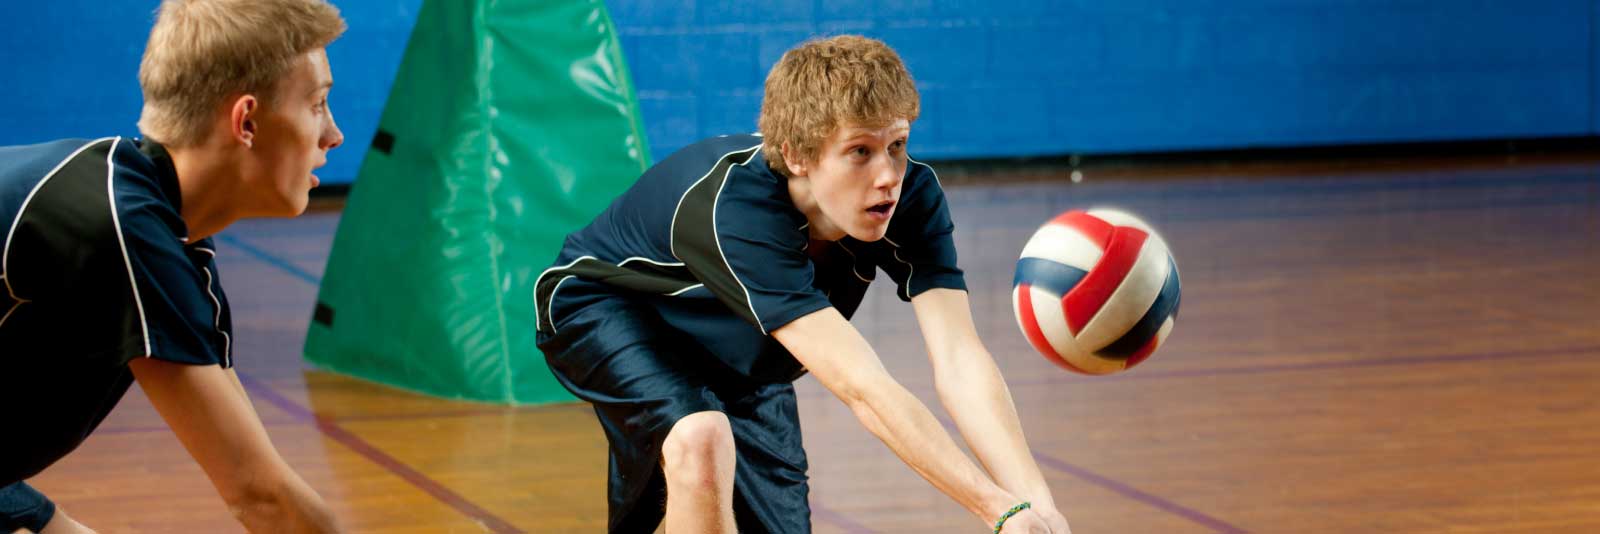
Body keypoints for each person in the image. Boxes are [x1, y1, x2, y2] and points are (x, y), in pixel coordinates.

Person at [534, 35, 1072, 533]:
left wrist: (1035, 501)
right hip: (601, 305)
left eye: (898, 145)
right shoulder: (735, 211)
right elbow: (863, 386)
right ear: (796, 155)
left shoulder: (912, 198)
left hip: (743, 352)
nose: (887, 174)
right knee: (701, 437)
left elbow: (959, 358)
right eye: (860, 151)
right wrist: (999, 511)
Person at [0, 1, 347, 532]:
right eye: (318, 104)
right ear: (247, 121)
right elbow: (260, 496)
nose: (333, 135)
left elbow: (260, 477)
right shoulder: (115, 227)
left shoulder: (154, 230)